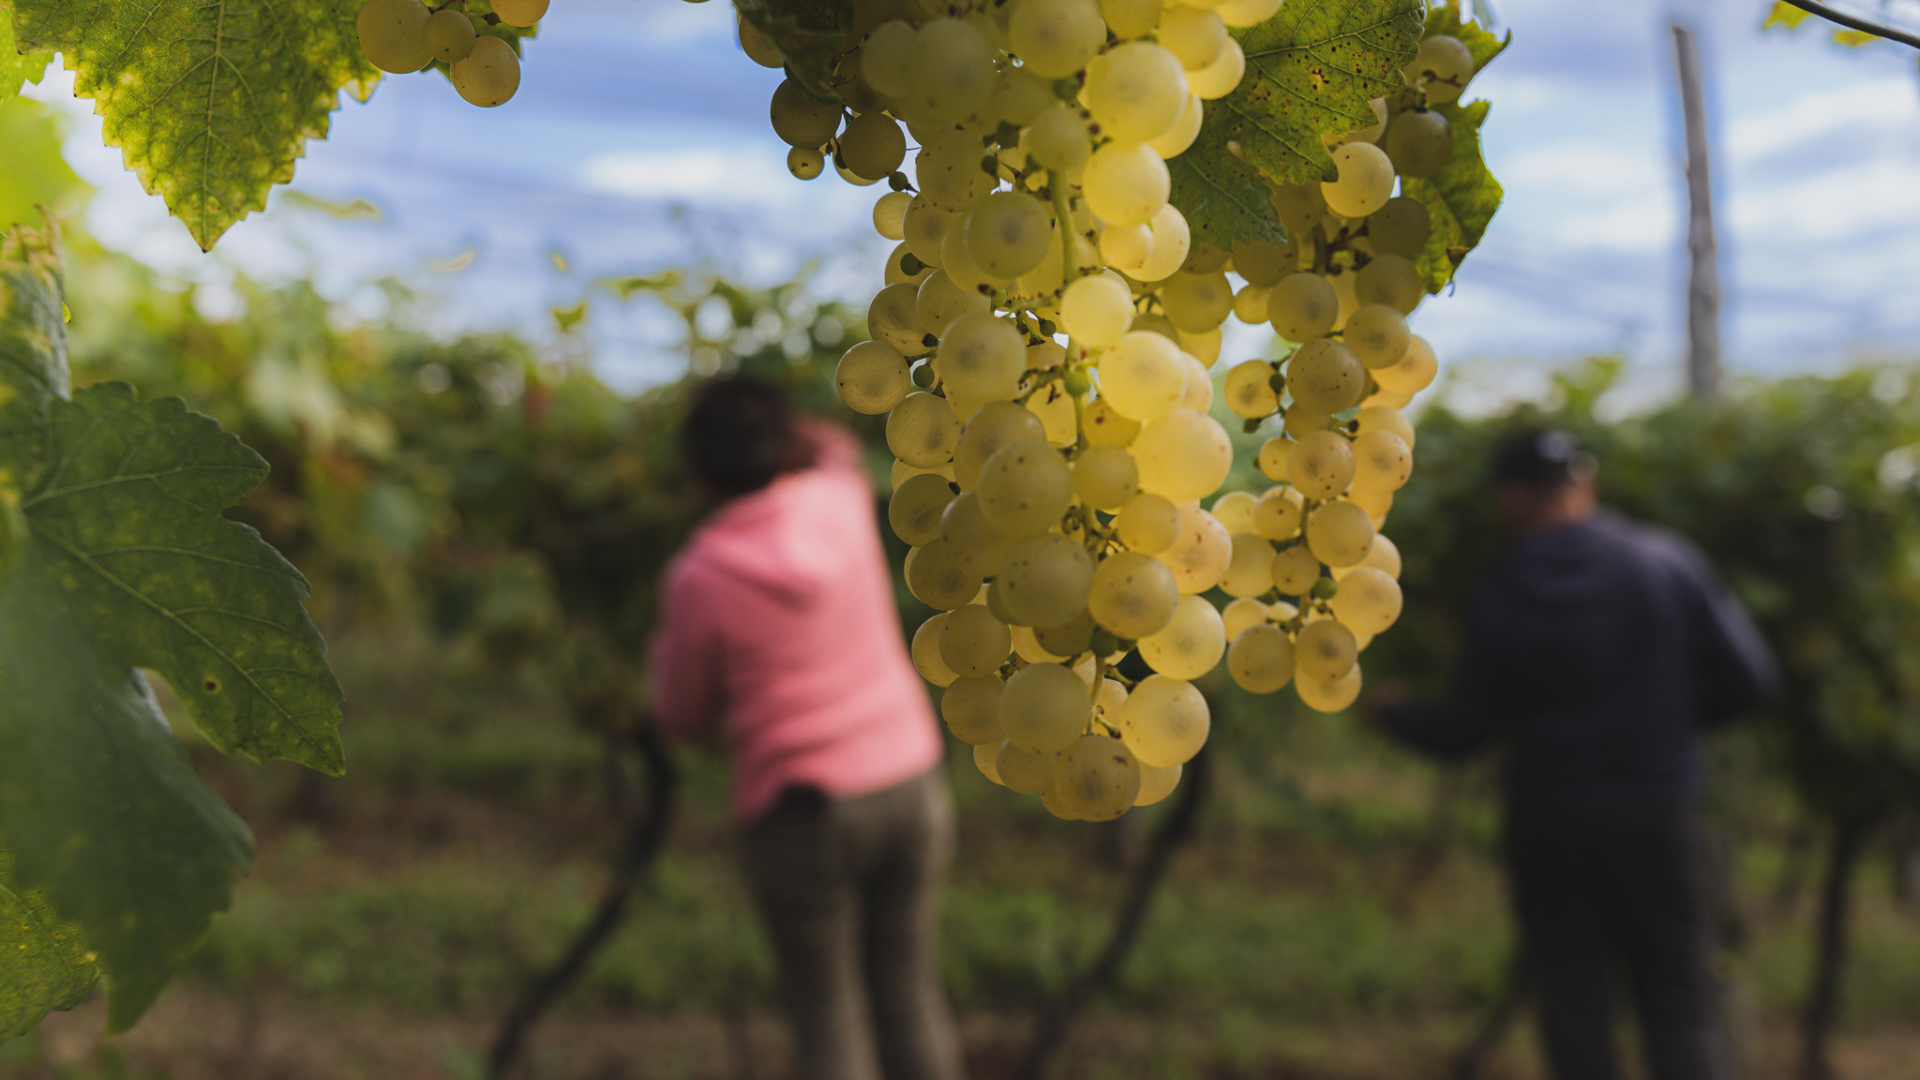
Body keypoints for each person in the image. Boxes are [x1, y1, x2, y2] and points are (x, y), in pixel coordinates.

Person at [1372, 429, 1777, 1080]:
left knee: (1573, 1001)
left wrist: (1391, 712)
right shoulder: (1666, 562)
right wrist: (1662, 732)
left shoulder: (1504, 588)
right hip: (1657, 811)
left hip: (1549, 820)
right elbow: (1752, 682)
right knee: (1679, 1003)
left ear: (1510, 498)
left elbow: (1464, 730)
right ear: (1584, 483)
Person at [648, 376, 965, 1080]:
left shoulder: (700, 573)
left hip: (801, 815)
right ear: (787, 440)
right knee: (909, 996)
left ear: (698, 471)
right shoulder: (839, 499)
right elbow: (837, 447)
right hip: (909, 781)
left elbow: (679, 715)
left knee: (828, 1021)